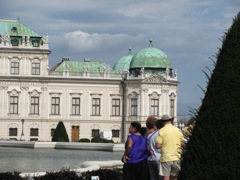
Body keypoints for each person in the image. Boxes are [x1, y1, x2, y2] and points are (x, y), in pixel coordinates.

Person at [156, 114, 185, 180]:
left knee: (166, 176)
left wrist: (162, 145)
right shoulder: (178, 130)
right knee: (175, 176)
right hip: (176, 156)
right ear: (171, 121)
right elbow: (183, 143)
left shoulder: (161, 131)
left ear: (163, 122)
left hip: (166, 157)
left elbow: (157, 146)